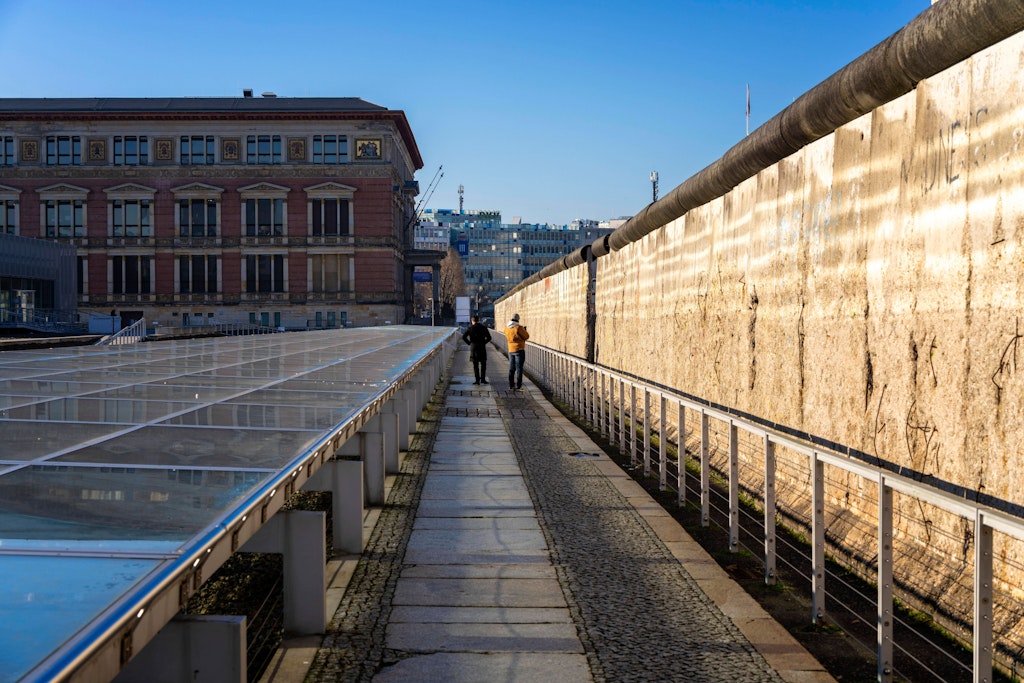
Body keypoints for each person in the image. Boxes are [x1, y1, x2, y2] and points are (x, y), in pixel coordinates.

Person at [462, 314, 492, 385]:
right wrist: (484, 342)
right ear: (478, 320)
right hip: (482, 347)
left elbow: (464, 337)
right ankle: (483, 379)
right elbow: (489, 338)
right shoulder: (484, 327)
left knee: (475, 365)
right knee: (483, 364)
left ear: (472, 321)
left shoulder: (470, 328)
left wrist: (469, 343)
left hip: (474, 347)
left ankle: (477, 380)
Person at [503, 313, 529, 391]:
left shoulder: (506, 328)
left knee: (511, 368)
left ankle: (511, 386)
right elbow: (526, 336)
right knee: (519, 368)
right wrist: (524, 330)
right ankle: (519, 386)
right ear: (518, 319)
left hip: (510, 350)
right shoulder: (518, 328)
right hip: (519, 349)